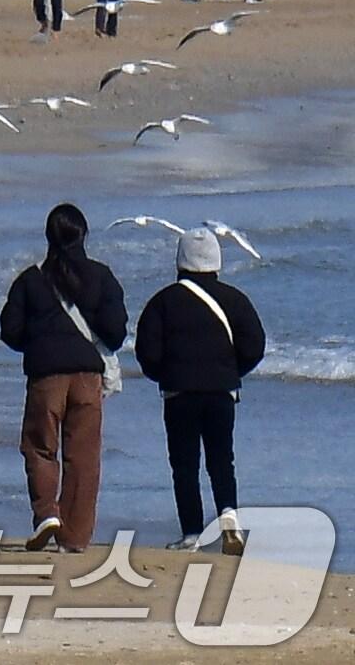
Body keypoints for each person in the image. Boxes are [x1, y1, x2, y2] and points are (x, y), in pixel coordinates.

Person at [0, 203, 127, 553]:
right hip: (87, 378)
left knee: (40, 447)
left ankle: (46, 513)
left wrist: (39, 342)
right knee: (84, 458)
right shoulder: (101, 276)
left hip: (46, 376)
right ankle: (75, 538)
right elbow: (116, 333)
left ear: (48, 237)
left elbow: (9, 331)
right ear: (84, 235)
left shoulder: (29, 280)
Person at [135, 228, 266, 554]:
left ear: (180, 260)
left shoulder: (162, 301)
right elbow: (255, 345)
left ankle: (192, 534)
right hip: (222, 391)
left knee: (184, 464)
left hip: (179, 393)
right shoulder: (235, 299)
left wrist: (166, 375)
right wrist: (232, 372)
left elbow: (147, 352)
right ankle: (228, 515)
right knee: (222, 459)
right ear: (216, 261)